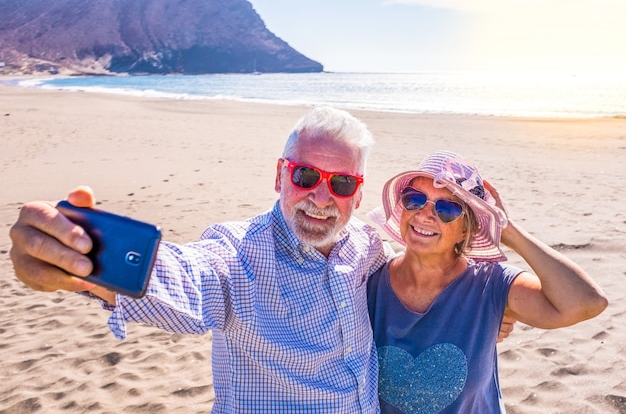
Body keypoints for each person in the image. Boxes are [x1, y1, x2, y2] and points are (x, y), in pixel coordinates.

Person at [9, 106, 392, 413]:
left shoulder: (367, 246)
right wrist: (94, 265)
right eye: (306, 175)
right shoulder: (238, 253)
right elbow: (191, 274)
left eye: (342, 183)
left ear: (358, 196)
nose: (322, 198)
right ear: (280, 175)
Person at [366, 150, 608, 414]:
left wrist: (509, 230)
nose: (425, 214)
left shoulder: (490, 285)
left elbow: (586, 303)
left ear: (465, 230)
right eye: (415, 200)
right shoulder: (368, 282)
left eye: (447, 209)